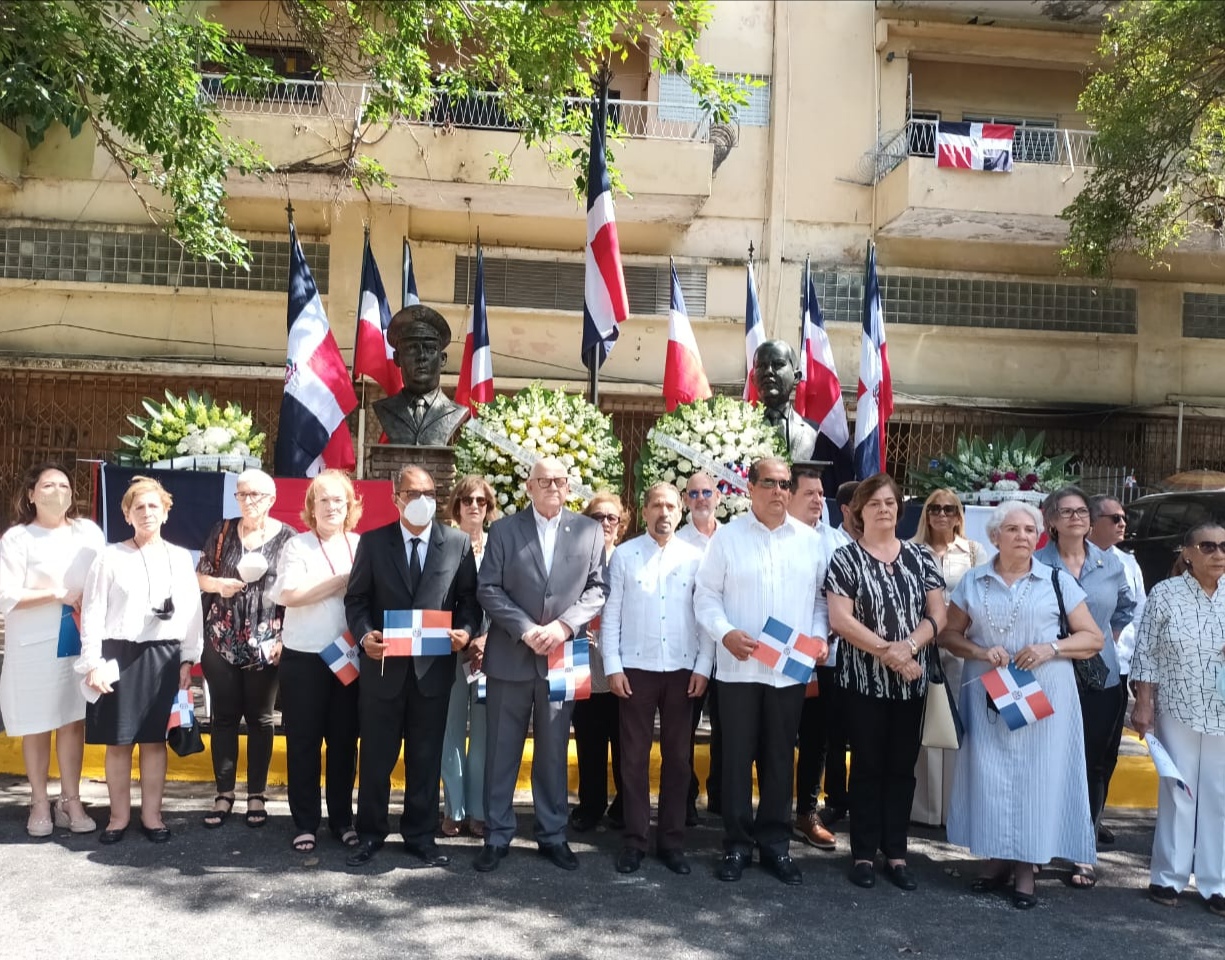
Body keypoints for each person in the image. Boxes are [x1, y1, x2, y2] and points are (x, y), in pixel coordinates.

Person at [940, 502, 1102, 909]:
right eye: (1013, 529)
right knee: (991, 776)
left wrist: (1051, 647)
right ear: (995, 537)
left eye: (1030, 530)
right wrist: (979, 649)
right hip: (990, 691)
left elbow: (1093, 639)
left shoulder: (1056, 581)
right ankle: (996, 859)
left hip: (1045, 694)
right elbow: (949, 636)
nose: (1023, 537)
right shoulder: (974, 581)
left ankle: (1028, 866)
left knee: (1037, 778)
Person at [695, 457, 831, 886]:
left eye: (785, 484)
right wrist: (725, 633)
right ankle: (736, 845)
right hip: (738, 669)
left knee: (778, 758)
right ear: (749, 488)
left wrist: (819, 636)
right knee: (735, 760)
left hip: (788, 671)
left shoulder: (810, 542)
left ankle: (775, 844)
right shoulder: (728, 539)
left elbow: (820, 601)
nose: (779, 492)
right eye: (769, 483)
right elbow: (706, 596)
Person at [474, 457, 607, 873]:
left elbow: (598, 588)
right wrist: (526, 628)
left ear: (569, 488)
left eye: (560, 481)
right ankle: (497, 835)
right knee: (501, 750)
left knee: (553, 751)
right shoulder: (503, 530)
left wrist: (565, 627)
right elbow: (487, 588)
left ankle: (552, 834)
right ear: (528, 486)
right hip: (512, 654)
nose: (553, 486)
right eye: (544, 480)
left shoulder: (588, 531)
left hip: (563, 655)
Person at [344, 465, 481, 867]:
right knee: (376, 759)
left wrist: (466, 631)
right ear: (396, 498)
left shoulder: (455, 543)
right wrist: (366, 634)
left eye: (429, 492)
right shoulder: (372, 542)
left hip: (432, 673)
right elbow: (356, 600)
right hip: (383, 672)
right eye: (413, 493)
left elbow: (469, 601)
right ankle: (370, 832)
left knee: (425, 758)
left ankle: (420, 836)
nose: (422, 500)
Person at [826, 472, 946, 891]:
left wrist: (909, 647)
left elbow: (938, 615)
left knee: (901, 769)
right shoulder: (845, 559)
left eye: (890, 503)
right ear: (860, 511)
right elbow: (841, 620)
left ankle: (896, 853)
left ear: (900, 508)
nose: (883, 509)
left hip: (911, 684)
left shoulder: (921, 558)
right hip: (863, 685)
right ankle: (862, 854)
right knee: (866, 767)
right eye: (874, 503)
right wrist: (890, 654)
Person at [77, 476, 203, 843]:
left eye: (153, 506)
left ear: (166, 511)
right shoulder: (110, 556)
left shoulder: (180, 557)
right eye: (139, 507)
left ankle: (152, 816)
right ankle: (117, 817)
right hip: (118, 656)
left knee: (153, 742)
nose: (147, 513)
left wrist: (188, 659)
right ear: (127, 514)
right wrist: (92, 662)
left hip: (163, 656)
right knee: (118, 743)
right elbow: (93, 612)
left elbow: (192, 614)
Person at [603, 481, 710, 875]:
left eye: (670, 506)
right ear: (644, 511)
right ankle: (634, 840)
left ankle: (671, 842)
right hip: (636, 670)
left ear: (680, 511)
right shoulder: (626, 557)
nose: (664, 513)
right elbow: (612, 613)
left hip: (683, 670)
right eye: (656, 506)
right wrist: (612, 665)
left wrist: (703, 666)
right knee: (632, 759)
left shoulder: (695, 557)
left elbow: (705, 615)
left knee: (678, 760)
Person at [1035, 485, 1134, 889]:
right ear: (1051, 521)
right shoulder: (1036, 562)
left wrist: (1100, 639)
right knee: (1045, 759)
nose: (1076, 517)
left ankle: (1083, 850)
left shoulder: (1111, 565)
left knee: (1094, 765)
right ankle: (1038, 846)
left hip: (1101, 679)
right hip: (1050, 675)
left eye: (1081, 512)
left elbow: (1126, 606)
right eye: (1066, 512)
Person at [0, 463, 104, 837]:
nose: (56, 491)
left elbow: (103, 578)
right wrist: (57, 594)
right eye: (47, 485)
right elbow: (6, 594)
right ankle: (40, 801)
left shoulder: (88, 533)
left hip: (77, 640)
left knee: (72, 720)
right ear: (31, 494)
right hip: (33, 644)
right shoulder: (18, 539)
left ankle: (71, 800)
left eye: (63, 485)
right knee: (37, 724)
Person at [1130, 522, 1225, 916]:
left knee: (1220, 795)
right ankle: (1168, 876)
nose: (1218, 553)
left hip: (1222, 708)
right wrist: (1144, 702)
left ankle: (1216, 883)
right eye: (1208, 546)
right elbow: (1147, 650)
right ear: (1188, 553)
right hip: (1177, 704)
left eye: (1224, 546)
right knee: (1178, 790)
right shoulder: (1165, 594)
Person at [197, 468, 294, 831]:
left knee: (261, 718)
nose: (248, 501)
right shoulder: (222, 531)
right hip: (221, 637)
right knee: (222, 717)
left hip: (268, 642)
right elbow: (200, 575)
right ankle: (224, 793)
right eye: (242, 494)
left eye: (256, 495)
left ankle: (256, 794)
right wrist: (218, 584)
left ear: (271, 499)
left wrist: (285, 639)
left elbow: (295, 591)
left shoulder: (288, 538)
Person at [274, 470, 363, 854]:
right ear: (312, 506)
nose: (331, 507)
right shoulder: (297, 546)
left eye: (338, 500)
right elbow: (290, 594)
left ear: (350, 506)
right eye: (323, 500)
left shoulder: (362, 545)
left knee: (344, 743)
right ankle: (305, 822)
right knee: (304, 743)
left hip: (349, 658)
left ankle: (342, 819)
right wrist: (343, 580)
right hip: (305, 658)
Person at [911, 489, 988, 827]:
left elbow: (985, 597)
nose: (941, 515)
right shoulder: (911, 551)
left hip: (960, 649)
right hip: (922, 648)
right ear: (926, 514)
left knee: (960, 724)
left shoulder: (974, 552)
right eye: (934, 508)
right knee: (926, 725)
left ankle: (956, 808)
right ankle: (925, 809)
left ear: (959, 515)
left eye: (949, 509)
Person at [439, 474, 499, 839]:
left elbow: (511, 599)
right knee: (449, 732)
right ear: (456, 506)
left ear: (489, 508)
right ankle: (454, 809)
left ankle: (478, 811)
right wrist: (460, 638)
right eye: (467, 500)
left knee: (483, 734)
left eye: (480, 501)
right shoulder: (444, 545)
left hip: (491, 654)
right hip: (450, 651)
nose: (474, 506)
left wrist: (488, 640)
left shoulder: (500, 545)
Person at [787, 465, 843, 852]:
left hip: (822, 658)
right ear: (787, 496)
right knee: (771, 737)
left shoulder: (835, 542)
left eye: (821, 494)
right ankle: (770, 814)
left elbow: (835, 601)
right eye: (810, 493)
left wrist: (820, 638)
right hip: (774, 655)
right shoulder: (772, 535)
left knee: (815, 740)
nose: (819, 500)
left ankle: (807, 812)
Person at [1088, 493, 1146, 846]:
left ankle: (1095, 816)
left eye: (1124, 518)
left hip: (1116, 665)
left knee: (1106, 751)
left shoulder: (1128, 563)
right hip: (1077, 665)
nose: (1123, 524)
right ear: (1093, 523)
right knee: (1081, 747)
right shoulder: (1074, 559)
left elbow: (1138, 612)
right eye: (1115, 518)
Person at [570, 491, 627, 833]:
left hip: (621, 666)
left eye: (611, 518)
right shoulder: (574, 561)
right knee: (589, 740)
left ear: (621, 525)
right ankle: (590, 805)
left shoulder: (628, 559)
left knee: (625, 742)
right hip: (584, 662)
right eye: (597, 517)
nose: (604, 523)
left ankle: (624, 805)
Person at [678, 472, 722, 822]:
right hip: (691, 653)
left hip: (733, 651)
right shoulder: (677, 542)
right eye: (694, 493)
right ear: (685, 500)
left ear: (719, 496)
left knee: (730, 728)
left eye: (707, 491)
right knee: (684, 731)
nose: (701, 498)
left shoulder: (736, 538)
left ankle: (721, 794)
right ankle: (686, 796)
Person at [371, 305, 469, 445]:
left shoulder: (457, 412)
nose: (421, 356)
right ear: (397, 358)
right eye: (411, 348)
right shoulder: (384, 409)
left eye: (430, 349)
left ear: (443, 359)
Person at [752, 340, 820, 462]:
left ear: (796, 377)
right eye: (761, 366)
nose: (768, 371)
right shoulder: (734, 430)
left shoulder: (813, 431)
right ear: (752, 379)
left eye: (778, 364)